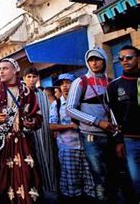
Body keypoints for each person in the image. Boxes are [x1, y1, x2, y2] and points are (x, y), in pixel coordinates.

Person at [66, 47, 121, 203]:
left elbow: (114, 110)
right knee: (99, 178)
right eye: (91, 60)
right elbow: (70, 109)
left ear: (104, 60)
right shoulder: (80, 81)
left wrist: (118, 138)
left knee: (114, 176)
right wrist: (97, 121)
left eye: (97, 59)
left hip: (110, 136)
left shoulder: (110, 82)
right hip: (91, 137)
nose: (94, 63)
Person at [0, 58, 42, 204]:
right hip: (3, 143)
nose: (1, 72)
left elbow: (38, 116)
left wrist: (32, 122)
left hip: (24, 141)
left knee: (28, 174)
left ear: (15, 70)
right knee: (4, 177)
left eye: (5, 68)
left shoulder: (27, 92)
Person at [49, 73, 95, 203]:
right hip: (68, 148)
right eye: (62, 83)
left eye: (68, 83)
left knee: (90, 182)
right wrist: (71, 126)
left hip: (87, 146)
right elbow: (52, 126)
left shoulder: (83, 102)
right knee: (71, 185)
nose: (65, 86)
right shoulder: (56, 104)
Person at [107, 45, 140, 201]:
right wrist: (118, 141)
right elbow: (113, 116)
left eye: (129, 57)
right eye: (121, 58)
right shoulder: (114, 86)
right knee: (136, 179)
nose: (124, 61)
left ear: (138, 58)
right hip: (130, 140)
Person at [23, 67, 58, 196]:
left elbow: (48, 114)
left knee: (49, 159)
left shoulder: (43, 95)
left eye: (34, 77)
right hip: (29, 135)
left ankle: (51, 189)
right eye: (29, 77)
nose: (32, 80)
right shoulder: (21, 95)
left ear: (38, 78)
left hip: (45, 133)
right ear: (24, 79)